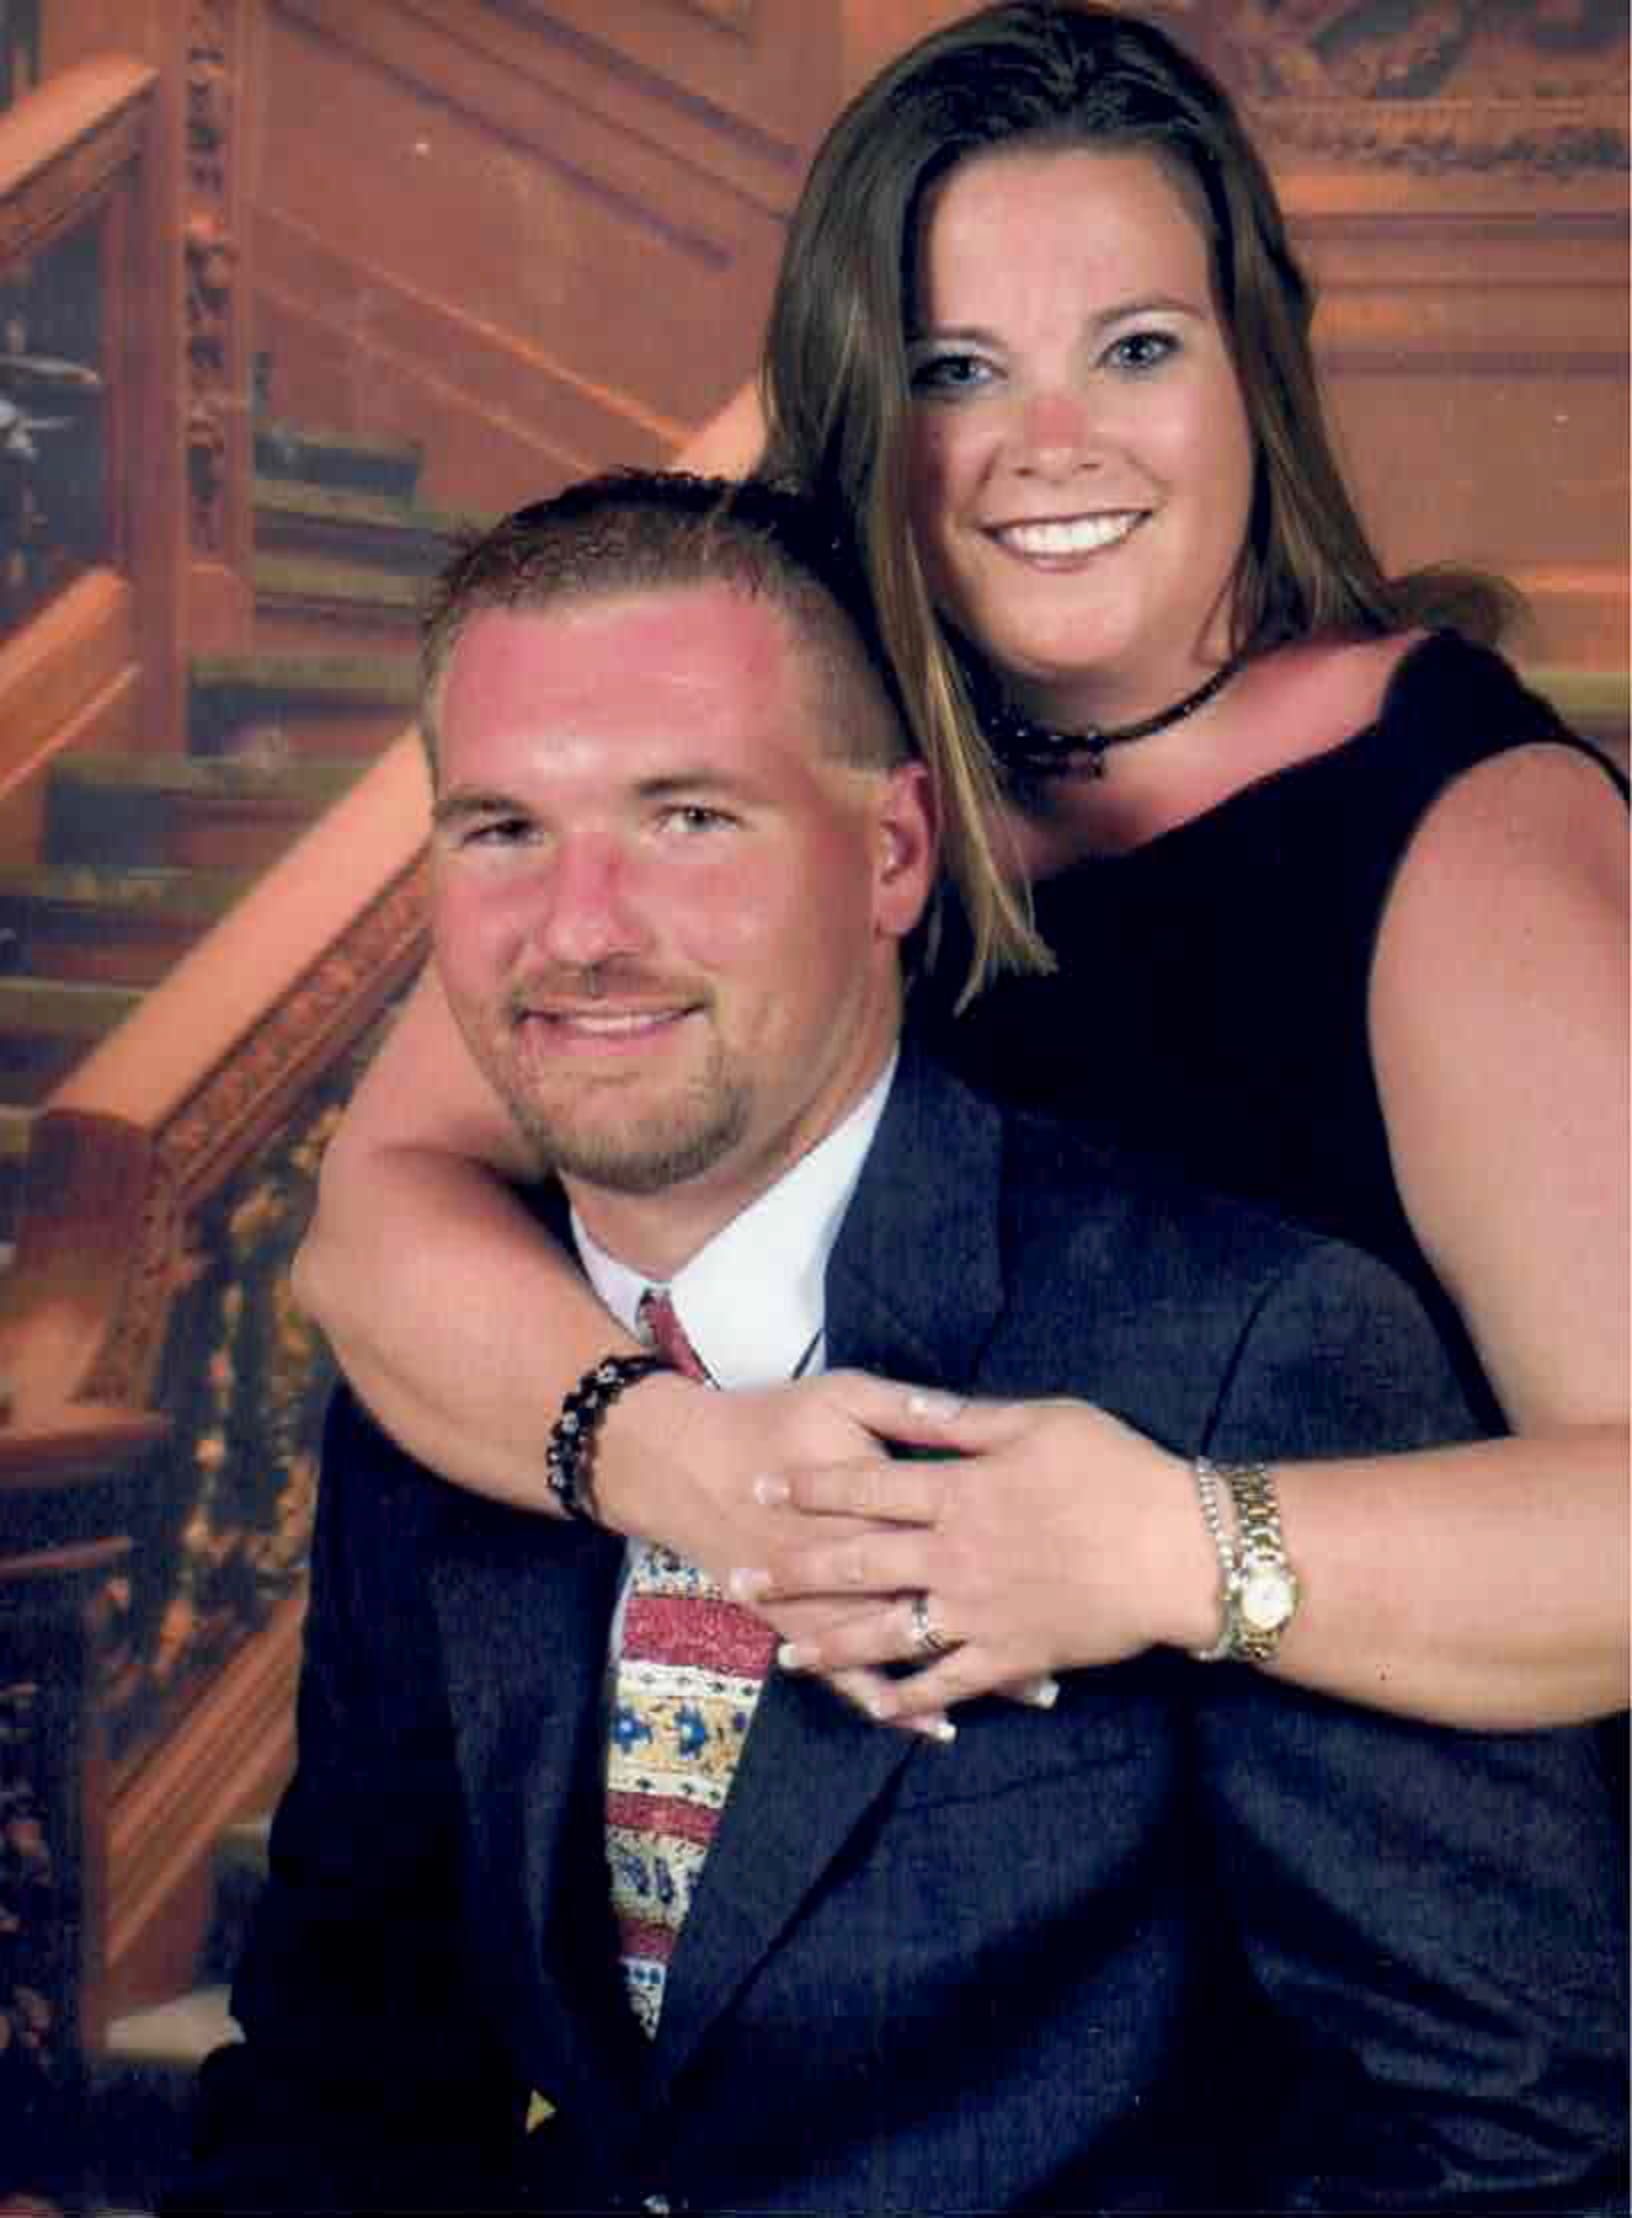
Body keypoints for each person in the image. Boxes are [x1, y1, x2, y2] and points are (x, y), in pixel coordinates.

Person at [170, 473, 1626, 2215]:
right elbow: (345, 2075)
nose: (579, 927)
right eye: (501, 831)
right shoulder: (451, 1375)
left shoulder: (1248, 1343)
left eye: (689, 817)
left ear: (892, 853)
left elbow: (1510, 2153)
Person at [292, 2, 1628, 1737]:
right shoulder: (795, 746)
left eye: (1136, 349)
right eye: (957, 369)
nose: (1049, 442)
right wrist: (681, 1460)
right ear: (860, 400)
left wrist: (1173, 1544)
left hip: (1372, 1904)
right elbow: (373, 1224)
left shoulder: (1467, 828)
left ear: (1254, 374)